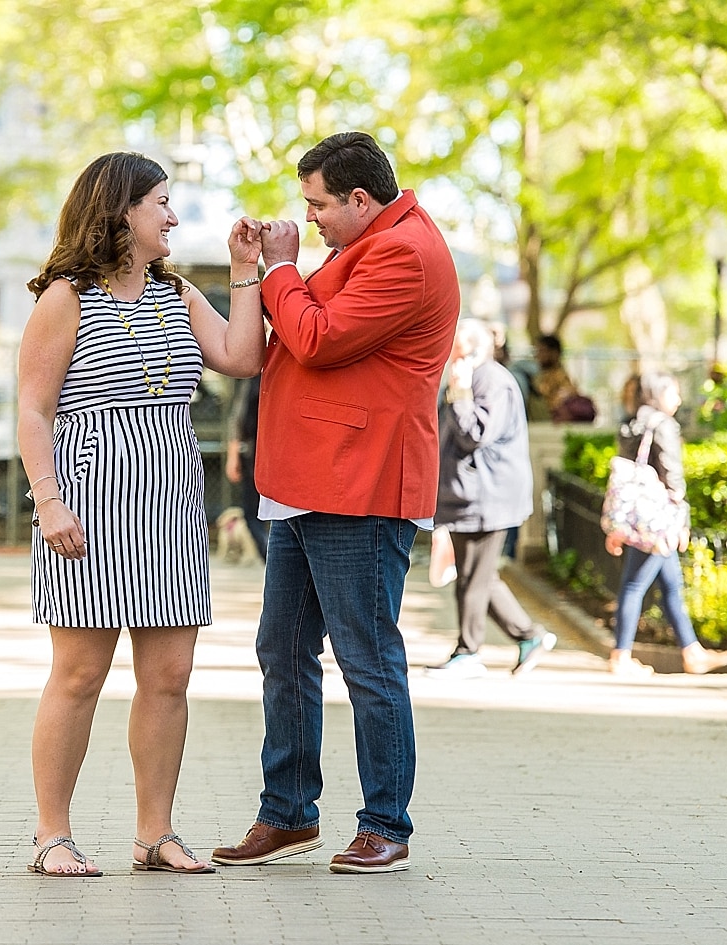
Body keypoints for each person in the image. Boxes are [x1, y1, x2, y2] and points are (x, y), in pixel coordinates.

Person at [210, 131, 459, 875]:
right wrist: (257, 271)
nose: (310, 216)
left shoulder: (404, 252)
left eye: (318, 203)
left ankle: (386, 821)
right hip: (308, 479)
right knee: (281, 649)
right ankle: (287, 813)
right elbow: (293, 322)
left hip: (360, 481)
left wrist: (283, 266)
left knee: (366, 657)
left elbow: (314, 338)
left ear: (359, 197)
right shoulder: (365, 245)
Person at [16, 152, 265, 877]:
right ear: (120, 209)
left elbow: (242, 356)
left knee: (170, 674)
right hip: (88, 501)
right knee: (79, 673)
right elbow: (33, 407)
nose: (173, 215)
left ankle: (154, 831)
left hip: (173, 498)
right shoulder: (65, 296)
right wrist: (48, 497)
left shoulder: (177, 292)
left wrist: (246, 268)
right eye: (161, 201)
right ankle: (51, 834)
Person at [425, 318, 556, 679]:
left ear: (470, 349)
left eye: (452, 344)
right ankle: (529, 635)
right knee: (476, 574)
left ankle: (469, 651)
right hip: (465, 495)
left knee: (473, 576)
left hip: (487, 497)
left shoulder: (493, 382)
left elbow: (474, 435)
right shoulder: (463, 379)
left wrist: (462, 395)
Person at [605, 371, 727, 677]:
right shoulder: (663, 425)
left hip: (639, 519)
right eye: (673, 392)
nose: (678, 399)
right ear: (659, 394)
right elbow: (672, 476)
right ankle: (621, 656)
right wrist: (680, 520)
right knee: (635, 585)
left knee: (671, 584)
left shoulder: (632, 422)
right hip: (658, 521)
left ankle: (692, 652)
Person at [223, 375, 266, 561]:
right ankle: (268, 556)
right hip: (254, 453)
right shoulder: (253, 379)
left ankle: (270, 556)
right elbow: (238, 420)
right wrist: (233, 456)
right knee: (252, 513)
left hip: (270, 453)